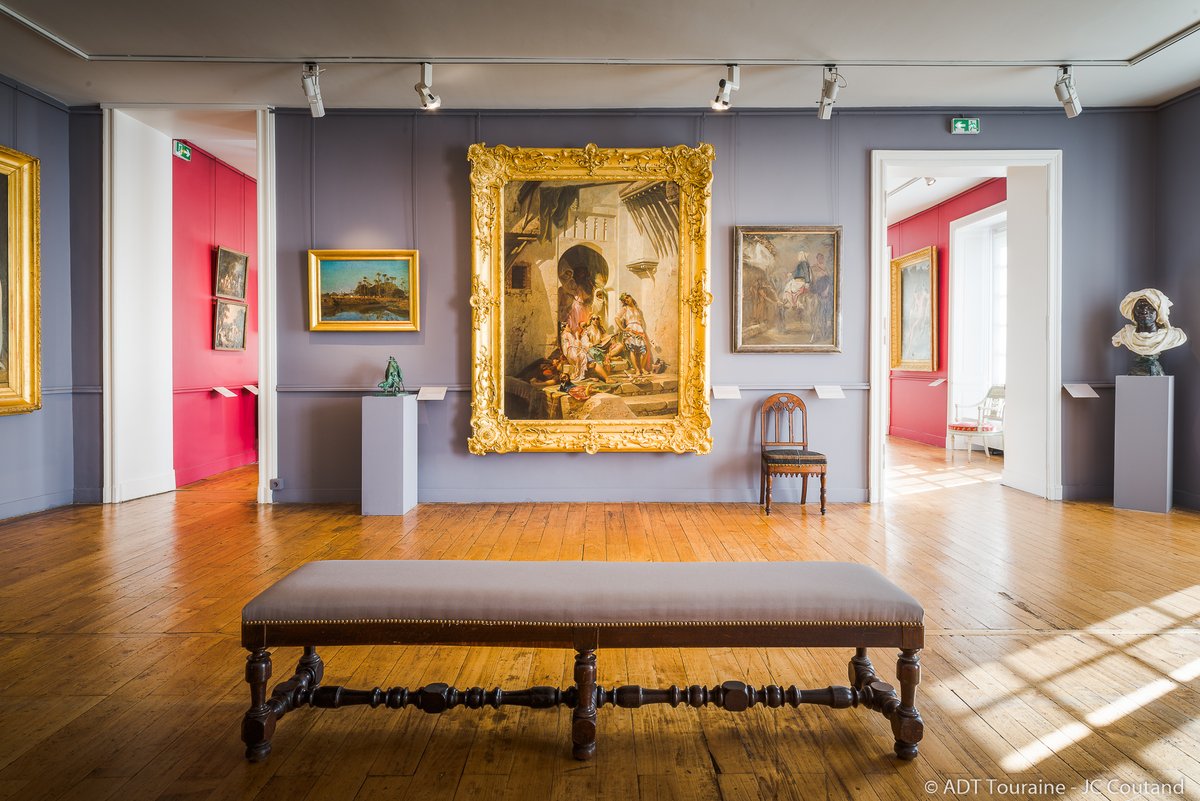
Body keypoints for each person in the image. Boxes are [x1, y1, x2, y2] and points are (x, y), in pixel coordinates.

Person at [1111, 288, 1187, 375]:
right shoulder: (1125, 335)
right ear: (1133, 312)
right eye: (1139, 307)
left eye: (1150, 308)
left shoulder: (1173, 336)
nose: (1144, 311)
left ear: (1159, 312)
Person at [614, 293, 652, 376]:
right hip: (630, 329)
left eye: (627, 297)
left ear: (631, 297)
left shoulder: (638, 310)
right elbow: (616, 318)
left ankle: (642, 368)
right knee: (633, 350)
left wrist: (642, 330)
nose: (627, 300)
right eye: (625, 300)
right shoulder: (625, 309)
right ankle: (637, 369)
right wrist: (623, 328)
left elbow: (641, 321)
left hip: (639, 330)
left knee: (644, 350)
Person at [580, 314, 612, 382]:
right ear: (591, 320)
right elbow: (584, 341)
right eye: (594, 319)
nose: (595, 320)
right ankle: (605, 378)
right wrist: (591, 344)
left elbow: (605, 337)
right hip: (590, 348)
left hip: (600, 347)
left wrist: (610, 337)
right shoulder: (587, 330)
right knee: (595, 356)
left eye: (597, 319)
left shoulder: (600, 329)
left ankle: (605, 377)